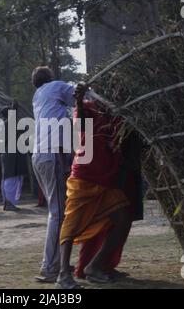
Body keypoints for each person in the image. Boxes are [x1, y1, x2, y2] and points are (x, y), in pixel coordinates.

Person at [56, 86, 143, 289]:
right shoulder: (86, 109)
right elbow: (81, 122)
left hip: (107, 180)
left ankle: (95, 266)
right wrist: (79, 99)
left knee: (123, 219)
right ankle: (62, 275)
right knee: (71, 225)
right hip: (85, 176)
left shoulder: (117, 115)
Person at [31, 66, 85, 283]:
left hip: (40, 157)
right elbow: (81, 95)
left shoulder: (38, 96)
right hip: (51, 155)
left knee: (57, 211)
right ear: (51, 79)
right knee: (58, 213)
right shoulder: (56, 87)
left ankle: (54, 262)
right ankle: (51, 267)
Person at [0, 102, 28, 212]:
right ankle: (9, 202)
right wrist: (15, 108)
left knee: (6, 178)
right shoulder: (9, 124)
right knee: (12, 178)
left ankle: (6, 201)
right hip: (12, 154)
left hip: (6, 153)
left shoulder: (3, 124)